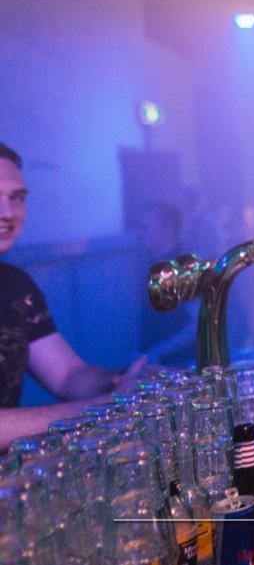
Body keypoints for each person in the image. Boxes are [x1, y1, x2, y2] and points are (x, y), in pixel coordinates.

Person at [0, 142, 146, 450]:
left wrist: (125, 380)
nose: (7, 213)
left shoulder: (15, 286)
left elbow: (67, 374)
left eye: (17, 198)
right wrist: (106, 405)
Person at [135, 200, 196, 365]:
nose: (141, 233)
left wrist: (157, 352)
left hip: (181, 366)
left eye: (146, 227)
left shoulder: (183, 267)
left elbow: (198, 324)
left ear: (168, 231)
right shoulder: (155, 267)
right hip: (159, 366)